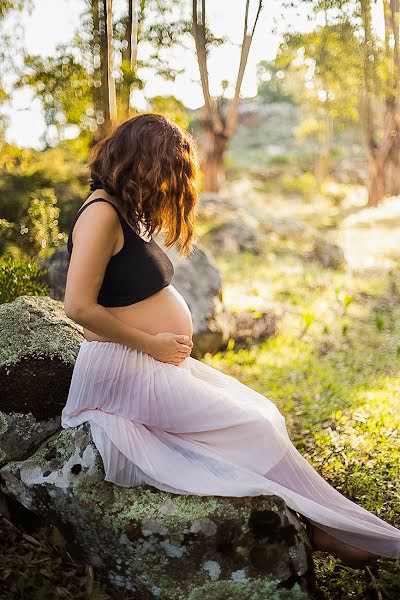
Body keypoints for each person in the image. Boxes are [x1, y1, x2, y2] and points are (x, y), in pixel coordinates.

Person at [61, 113, 400, 569]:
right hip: (121, 369)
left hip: (148, 361)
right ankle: (321, 532)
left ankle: (325, 522)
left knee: (260, 415)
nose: (167, 186)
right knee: (253, 427)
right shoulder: (100, 214)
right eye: (166, 173)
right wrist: (153, 345)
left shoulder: (120, 211)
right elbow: (79, 308)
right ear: (141, 163)